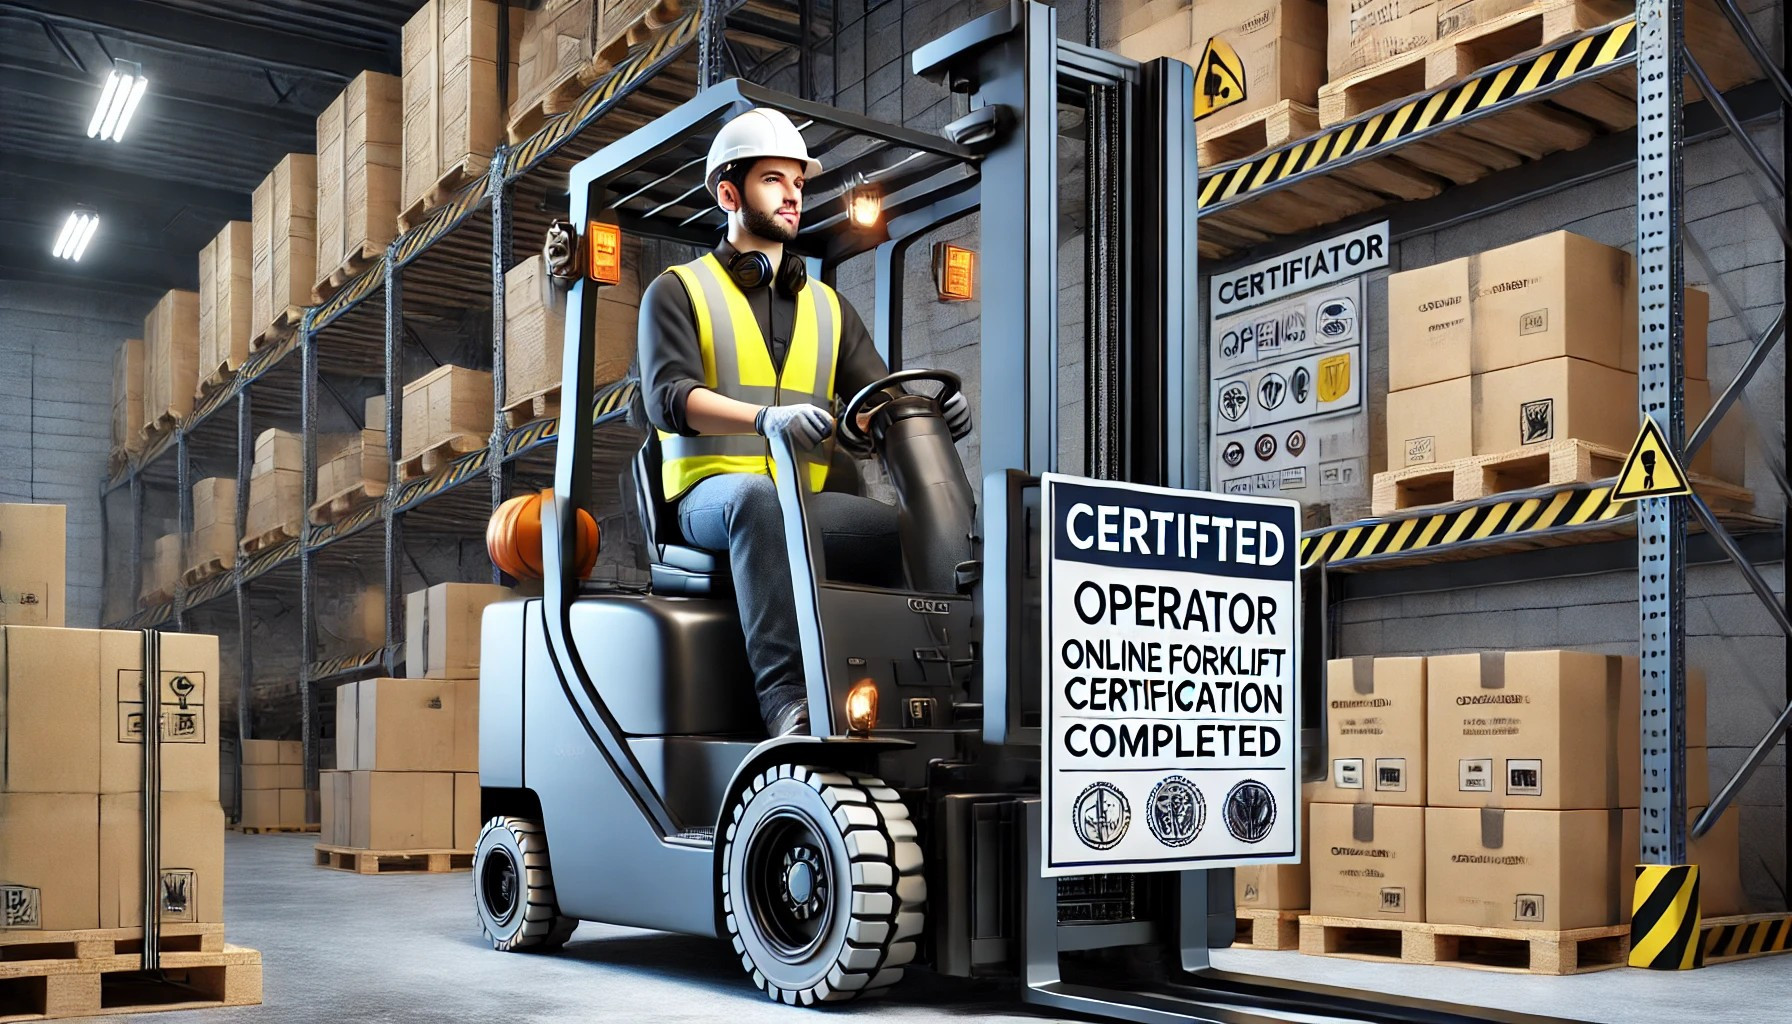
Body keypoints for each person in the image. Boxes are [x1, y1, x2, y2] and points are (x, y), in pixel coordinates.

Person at [636, 107, 972, 737]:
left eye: (797, 182)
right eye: (773, 180)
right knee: (759, 502)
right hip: (710, 496)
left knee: (902, 527)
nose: (793, 194)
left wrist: (928, 415)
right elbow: (669, 399)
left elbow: (874, 398)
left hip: (803, 498)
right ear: (729, 193)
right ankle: (786, 700)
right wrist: (765, 418)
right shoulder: (678, 290)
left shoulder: (827, 306)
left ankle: (940, 685)